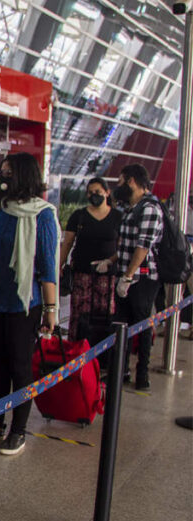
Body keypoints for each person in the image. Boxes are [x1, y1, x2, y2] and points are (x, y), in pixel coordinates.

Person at [0, 152, 59, 455]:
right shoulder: (1, 210)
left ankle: (18, 429)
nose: (3, 177)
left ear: (24, 175)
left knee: (21, 367)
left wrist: (50, 311)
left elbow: (48, 267)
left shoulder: (43, 214)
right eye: (2, 171)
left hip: (25, 303)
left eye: (9, 172)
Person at [103, 164, 164, 392]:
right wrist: (111, 261)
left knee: (142, 325)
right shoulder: (132, 208)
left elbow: (142, 247)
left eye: (120, 182)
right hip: (126, 275)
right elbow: (127, 245)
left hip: (143, 278)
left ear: (132, 181)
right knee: (121, 325)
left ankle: (142, 373)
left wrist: (128, 276)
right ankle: (121, 371)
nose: (118, 187)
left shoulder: (150, 209)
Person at [59, 177, 121, 343]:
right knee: (79, 314)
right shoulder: (79, 216)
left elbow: (122, 247)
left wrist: (109, 261)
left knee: (104, 315)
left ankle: (102, 353)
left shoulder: (117, 217)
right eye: (91, 192)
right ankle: (77, 349)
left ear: (107, 193)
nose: (94, 195)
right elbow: (67, 243)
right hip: (82, 273)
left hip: (107, 276)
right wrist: (59, 265)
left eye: (98, 192)